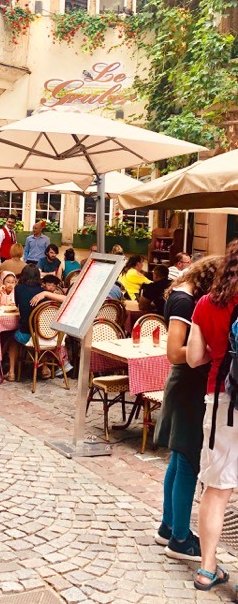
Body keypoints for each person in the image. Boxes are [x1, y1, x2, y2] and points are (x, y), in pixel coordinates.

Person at [154, 256, 221, 561]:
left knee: (178, 459)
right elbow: (174, 352)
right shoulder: (185, 302)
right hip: (189, 386)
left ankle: (169, 526)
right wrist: (211, 350)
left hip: (184, 386)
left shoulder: (181, 294)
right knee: (188, 462)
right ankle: (180, 538)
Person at [187, 240, 238, 593]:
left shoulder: (206, 304)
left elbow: (192, 358)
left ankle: (207, 569)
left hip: (222, 400)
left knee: (216, 490)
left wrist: (218, 351)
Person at [5, 265, 63, 382]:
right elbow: (67, 299)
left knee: (13, 340)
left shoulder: (18, 288)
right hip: (46, 335)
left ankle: (11, 372)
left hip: (28, 334)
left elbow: (17, 305)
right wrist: (46, 294)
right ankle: (44, 368)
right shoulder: (43, 291)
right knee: (38, 335)